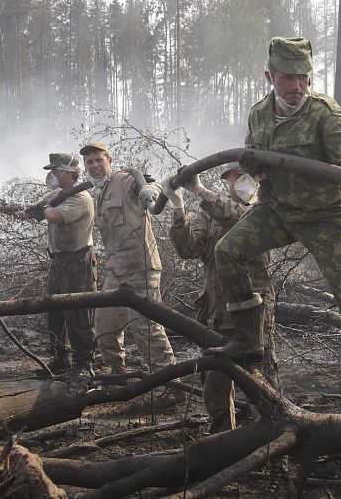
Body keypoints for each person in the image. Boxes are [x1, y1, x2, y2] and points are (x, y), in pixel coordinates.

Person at [213, 36, 341, 432]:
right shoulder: (259, 115)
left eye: (303, 78)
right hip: (278, 212)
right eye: (287, 77)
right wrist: (251, 165)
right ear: (270, 76)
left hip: (326, 218)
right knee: (228, 250)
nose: (296, 86)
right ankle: (248, 339)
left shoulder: (324, 114)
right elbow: (256, 169)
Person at [162, 162, 275, 434]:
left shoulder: (264, 210)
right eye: (229, 179)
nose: (234, 183)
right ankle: (222, 441)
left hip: (251, 314)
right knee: (214, 384)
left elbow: (237, 218)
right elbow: (189, 249)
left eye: (240, 177)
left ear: (256, 179)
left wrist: (200, 191)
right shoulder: (211, 214)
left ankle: (272, 442)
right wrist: (179, 208)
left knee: (261, 382)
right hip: (217, 311)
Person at [79, 142, 181, 407]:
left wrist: (151, 189)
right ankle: (118, 377)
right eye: (89, 162)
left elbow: (152, 186)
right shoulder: (99, 191)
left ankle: (172, 388)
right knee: (104, 325)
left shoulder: (124, 180)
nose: (94, 166)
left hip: (141, 268)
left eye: (98, 160)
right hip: (116, 270)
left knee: (146, 328)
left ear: (109, 160)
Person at [34, 153, 97, 376]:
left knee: (78, 314)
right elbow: (39, 211)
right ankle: (60, 359)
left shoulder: (80, 198)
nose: (52, 175)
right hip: (59, 261)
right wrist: (3, 208)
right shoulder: (57, 195)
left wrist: (39, 210)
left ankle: (83, 364)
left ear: (69, 173)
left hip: (78, 262)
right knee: (54, 312)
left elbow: (54, 216)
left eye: (56, 171)